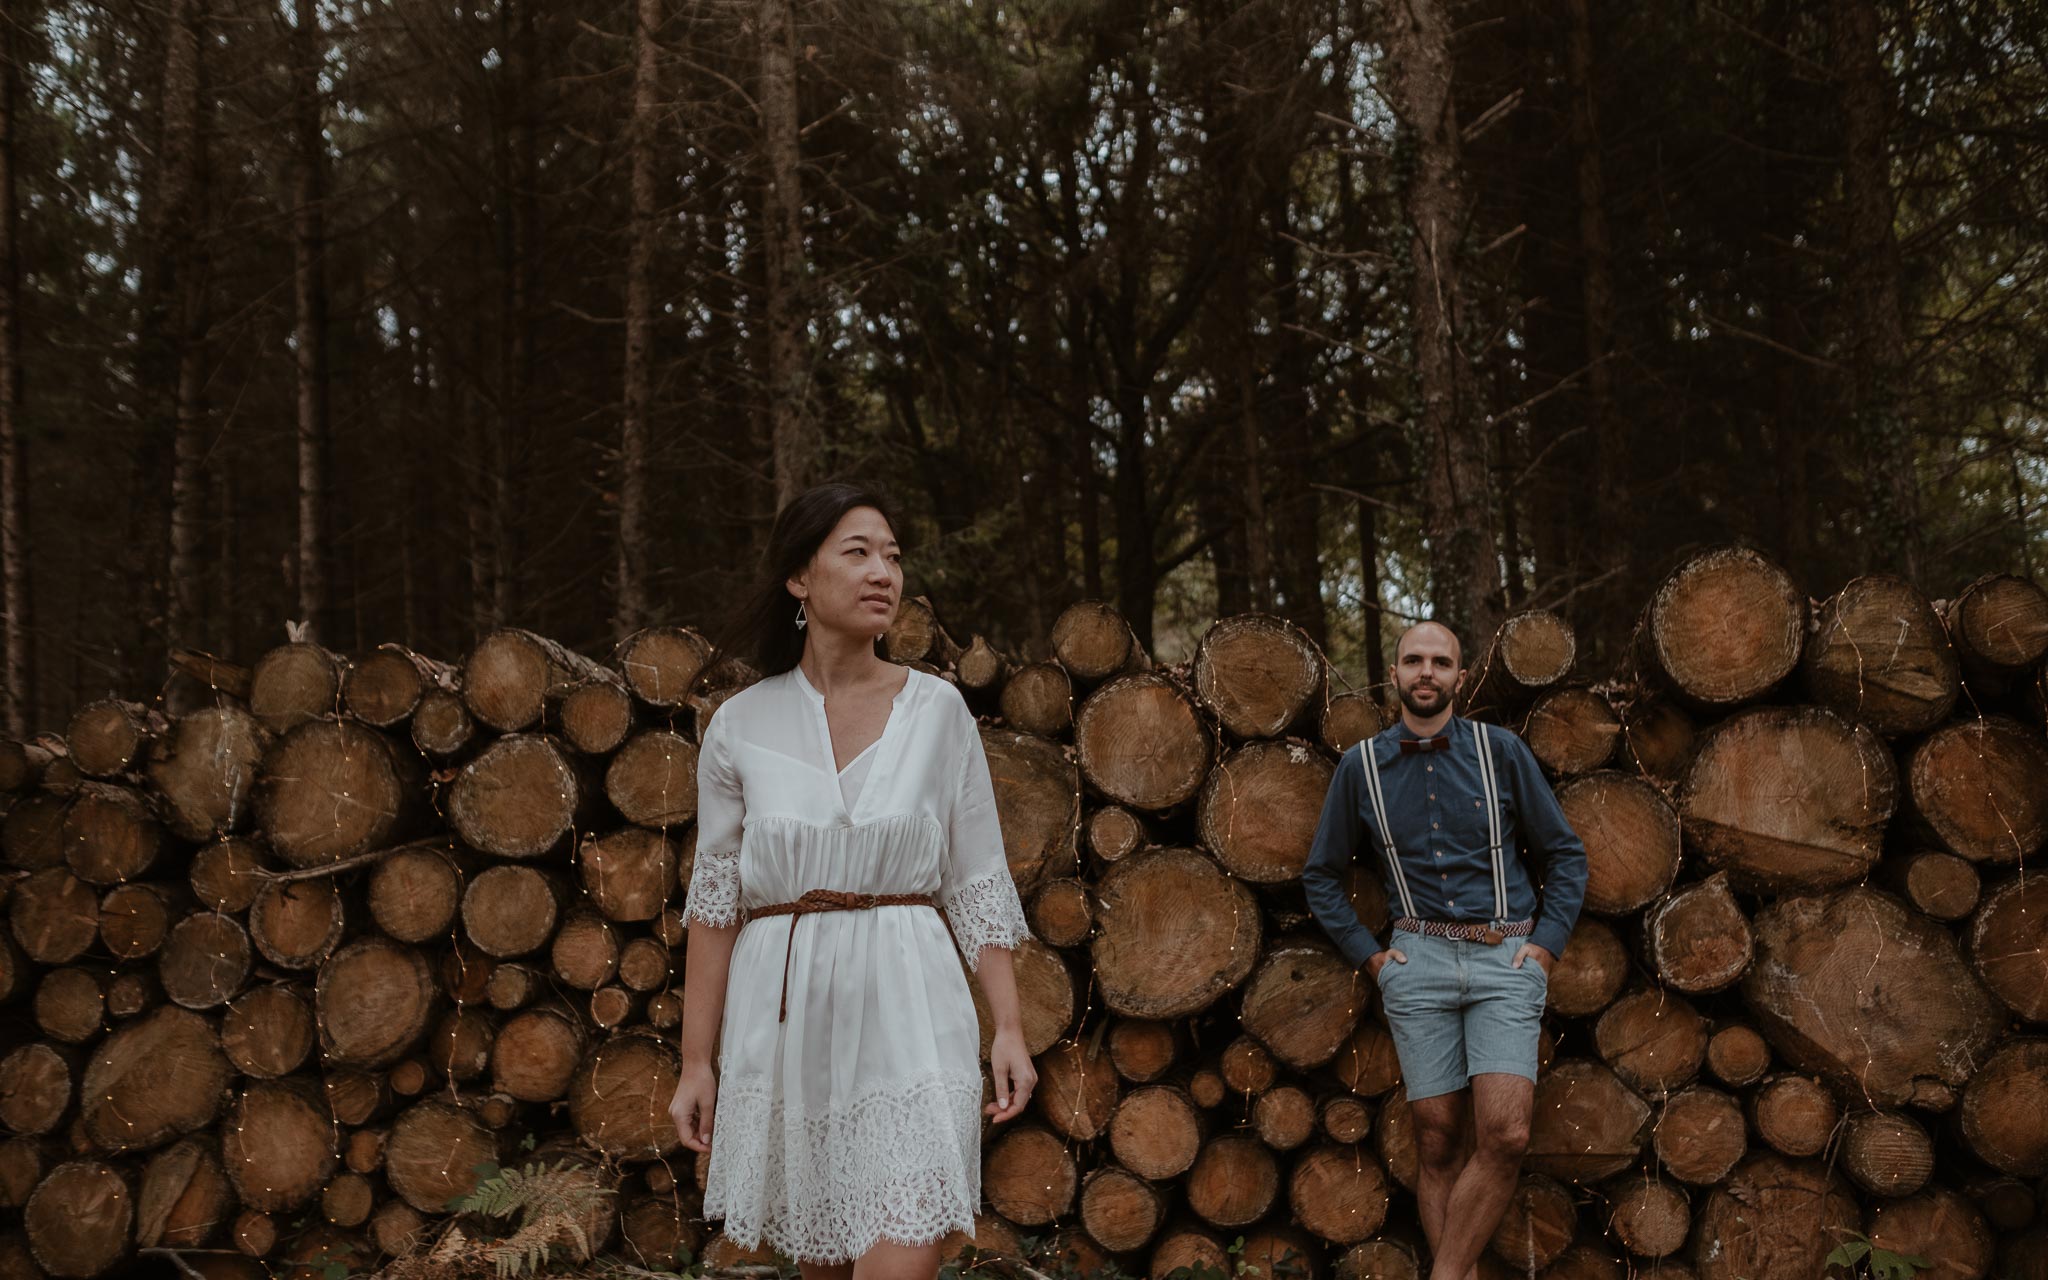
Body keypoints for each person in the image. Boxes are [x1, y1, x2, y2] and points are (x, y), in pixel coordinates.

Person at [666, 482, 1037, 1279]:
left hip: (911, 1011)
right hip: (786, 1029)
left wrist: (1008, 1027)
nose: (884, 574)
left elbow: (976, 879)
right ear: (800, 578)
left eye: (894, 557)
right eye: (859, 552)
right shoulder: (739, 726)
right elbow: (717, 908)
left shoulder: (938, 712)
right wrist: (697, 1063)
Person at [1301, 621, 1587, 1280]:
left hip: (1506, 957)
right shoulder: (1360, 766)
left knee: (1506, 1133)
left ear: (1461, 676)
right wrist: (1370, 958)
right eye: (1413, 661)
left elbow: (1566, 855)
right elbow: (1320, 874)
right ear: (1394, 675)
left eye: (1440, 662)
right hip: (1416, 962)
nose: (1426, 672)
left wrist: (1545, 947)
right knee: (1435, 1139)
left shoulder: (1502, 752)